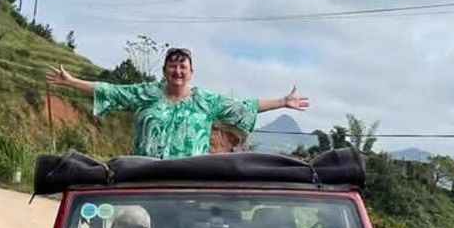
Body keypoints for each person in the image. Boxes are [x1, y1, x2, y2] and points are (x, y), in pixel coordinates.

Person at [46, 46, 308, 159]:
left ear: (191, 72)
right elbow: (113, 91)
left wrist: (283, 101)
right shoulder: (147, 94)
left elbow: (244, 106)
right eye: (172, 66)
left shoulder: (205, 100)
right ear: (164, 71)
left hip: (187, 183)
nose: (177, 71)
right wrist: (73, 82)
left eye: (183, 67)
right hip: (144, 180)